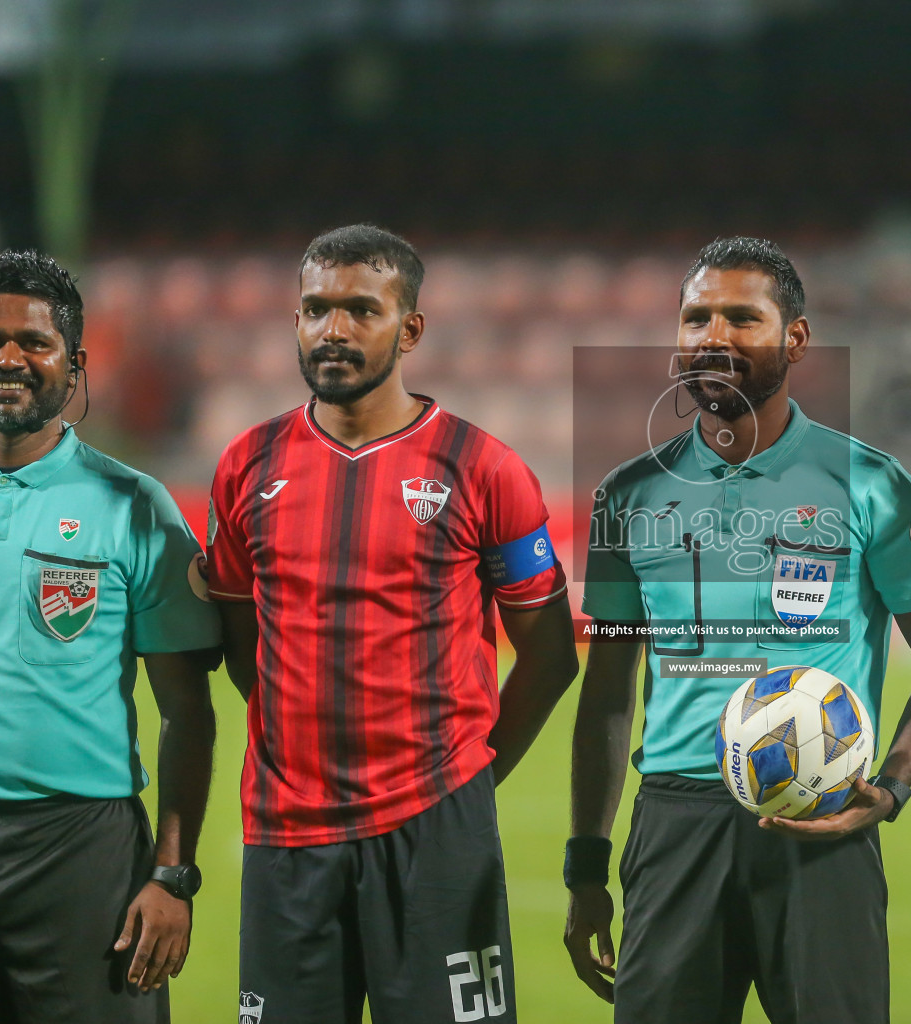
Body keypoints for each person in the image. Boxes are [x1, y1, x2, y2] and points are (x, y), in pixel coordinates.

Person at [565, 236, 911, 1024]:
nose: (714, 336)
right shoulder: (629, 497)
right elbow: (608, 693)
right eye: (697, 317)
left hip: (825, 824)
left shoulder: (875, 486)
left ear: (796, 340)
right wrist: (586, 868)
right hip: (675, 823)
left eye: (743, 318)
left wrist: (890, 788)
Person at [207, 224, 578, 1023]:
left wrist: (471, 775)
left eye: (359, 310)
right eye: (314, 309)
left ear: (409, 329)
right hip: (286, 831)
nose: (332, 330)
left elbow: (551, 655)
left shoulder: (485, 468)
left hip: (437, 829)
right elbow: (246, 649)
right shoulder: (246, 464)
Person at [0, 251, 219, 1023]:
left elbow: (187, 710)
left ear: (76, 364)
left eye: (35, 343)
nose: (8, 359)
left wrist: (172, 875)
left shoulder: (136, 505)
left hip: (83, 849)